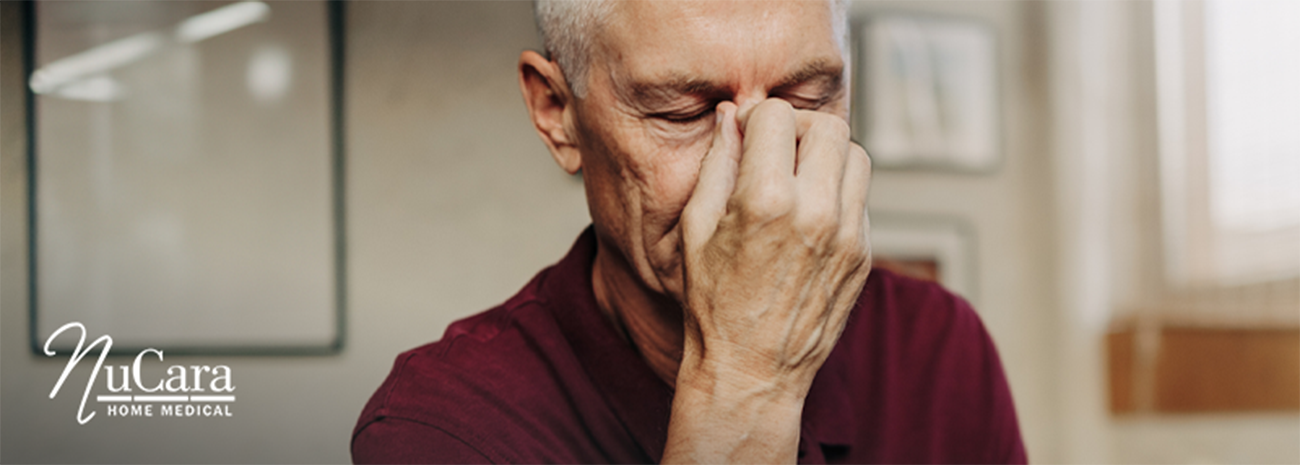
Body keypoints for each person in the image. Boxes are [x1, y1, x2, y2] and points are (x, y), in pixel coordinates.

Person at [353, 0, 1027, 463]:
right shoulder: (443, 422)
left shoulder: (936, 347)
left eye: (808, 99)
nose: (760, 178)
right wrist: (746, 379)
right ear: (557, 112)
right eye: (683, 112)